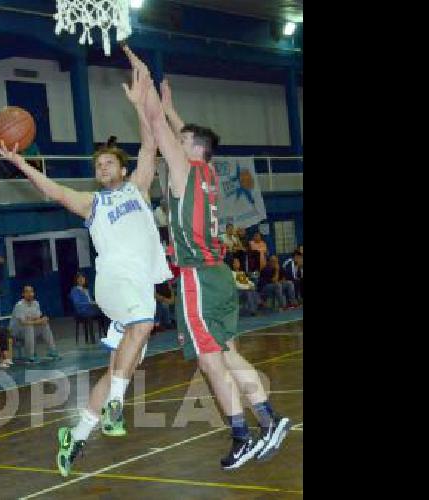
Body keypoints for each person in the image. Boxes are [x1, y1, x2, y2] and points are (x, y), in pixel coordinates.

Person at [0, 46, 170, 477]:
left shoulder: (139, 189)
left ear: (123, 170)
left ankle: (78, 434)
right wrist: (21, 163)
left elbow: (151, 141)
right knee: (144, 325)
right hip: (114, 279)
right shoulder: (93, 203)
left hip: (137, 286)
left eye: (109, 162)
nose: (102, 167)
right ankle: (114, 410)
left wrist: (143, 103)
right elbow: (54, 191)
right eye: (98, 164)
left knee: (119, 367)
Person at [144, 68, 291, 469]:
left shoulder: (185, 169)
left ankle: (256, 428)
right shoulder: (206, 171)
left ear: (192, 149)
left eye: (182, 140)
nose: (176, 141)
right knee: (224, 356)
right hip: (218, 275)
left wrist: (148, 101)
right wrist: (173, 110)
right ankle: (259, 427)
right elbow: (182, 132)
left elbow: (160, 130)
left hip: (196, 278)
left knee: (211, 362)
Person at [9, 285, 59, 363]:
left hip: (29, 330)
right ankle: (30, 355)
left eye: (31, 292)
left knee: (44, 324)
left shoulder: (36, 303)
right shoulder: (19, 305)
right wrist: (36, 321)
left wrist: (43, 319)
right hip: (16, 332)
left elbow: (37, 318)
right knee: (29, 326)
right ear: (23, 294)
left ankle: (52, 350)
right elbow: (23, 322)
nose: (29, 294)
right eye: (27, 292)